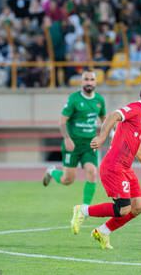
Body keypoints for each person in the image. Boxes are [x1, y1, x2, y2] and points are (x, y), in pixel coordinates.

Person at [69, 80, 141, 250]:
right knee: (123, 209)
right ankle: (83, 211)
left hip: (126, 168)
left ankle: (103, 231)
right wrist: (102, 137)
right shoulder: (137, 107)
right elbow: (113, 115)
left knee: (137, 208)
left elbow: (137, 146)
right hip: (114, 165)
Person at [43, 71, 107, 206]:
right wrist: (66, 138)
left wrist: (108, 134)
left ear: (95, 82)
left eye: (92, 79)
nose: (89, 82)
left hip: (90, 144)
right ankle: (51, 171)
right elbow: (62, 121)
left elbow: (104, 120)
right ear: (81, 82)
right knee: (67, 180)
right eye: (86, 79)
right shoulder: (74, 99)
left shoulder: (100, 100)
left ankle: (84, 209)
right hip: (72, 143)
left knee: (92, 172)